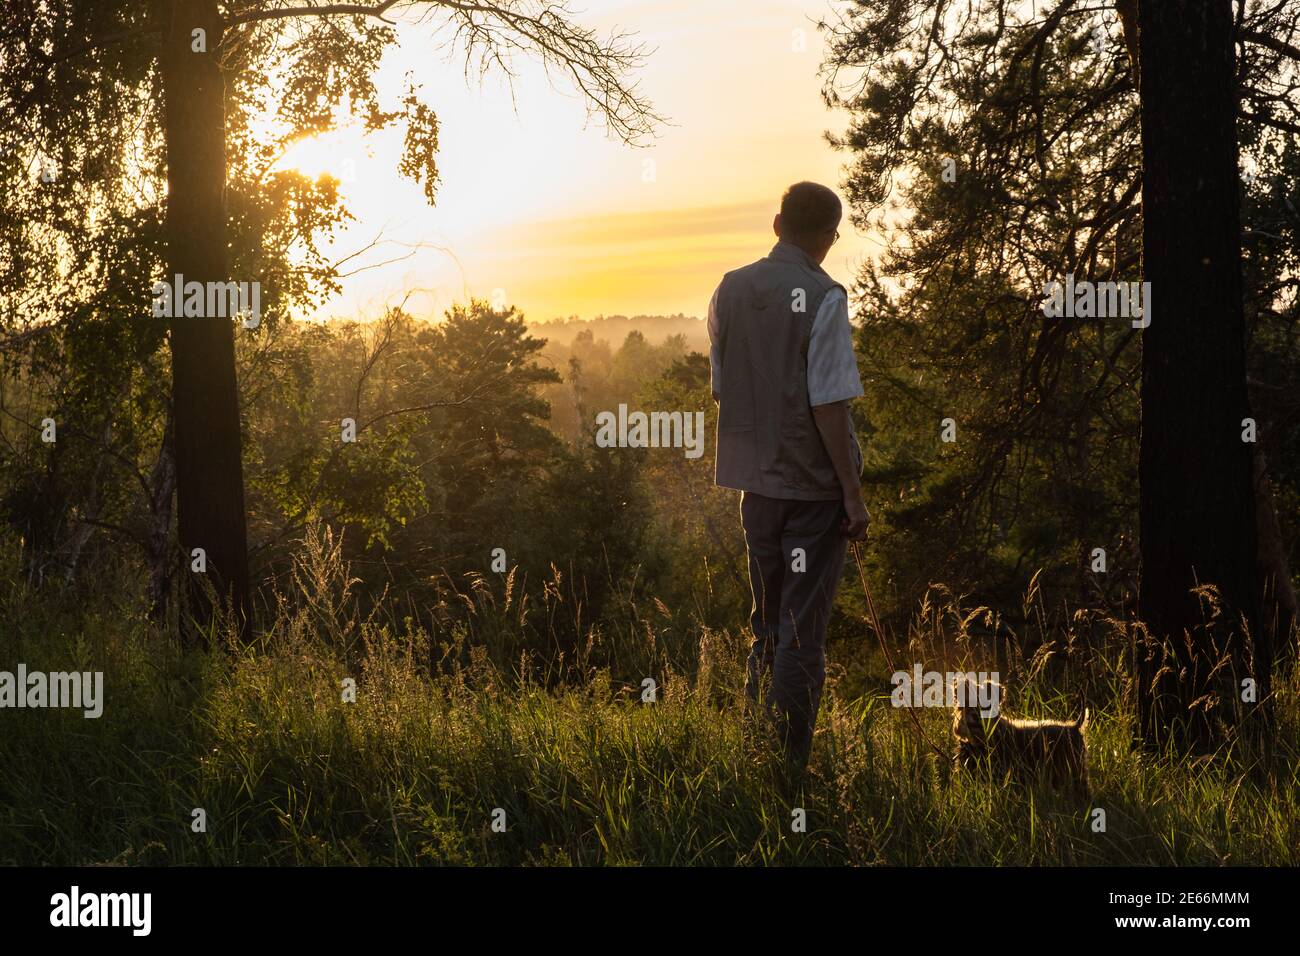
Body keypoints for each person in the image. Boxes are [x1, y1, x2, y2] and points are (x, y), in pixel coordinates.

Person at [706, 181, 870, 770]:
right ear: (827, 236)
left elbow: (724, 387)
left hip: (756, 491)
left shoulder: (730, 289)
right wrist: (852, 496)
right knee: (802, 633)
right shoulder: (825, 296)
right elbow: (829, 404)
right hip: (811, 493)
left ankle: (756, 748)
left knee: (768, 622)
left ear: (777, 226)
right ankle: (787, 766)